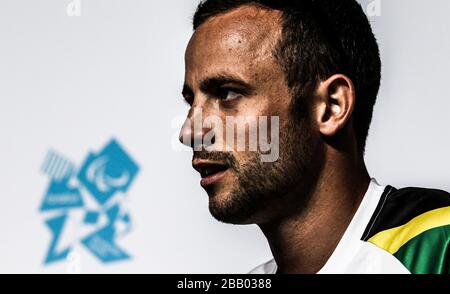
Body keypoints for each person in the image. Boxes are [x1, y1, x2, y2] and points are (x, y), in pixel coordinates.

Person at [178, 0, 450, 274]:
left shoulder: (439, 247)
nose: (189, 132)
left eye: (227, 93)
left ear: (331, 106)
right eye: (191, 102)